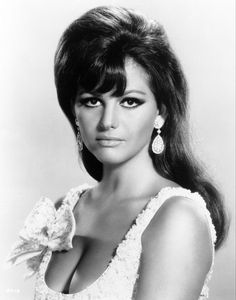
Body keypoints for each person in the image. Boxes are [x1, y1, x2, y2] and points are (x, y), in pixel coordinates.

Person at [7, 6, 228, 300]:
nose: (108, 121)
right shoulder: (66, 210)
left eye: (129, 102)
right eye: (92, 101)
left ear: (160, 112)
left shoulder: (178, 217)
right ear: (74, 111)